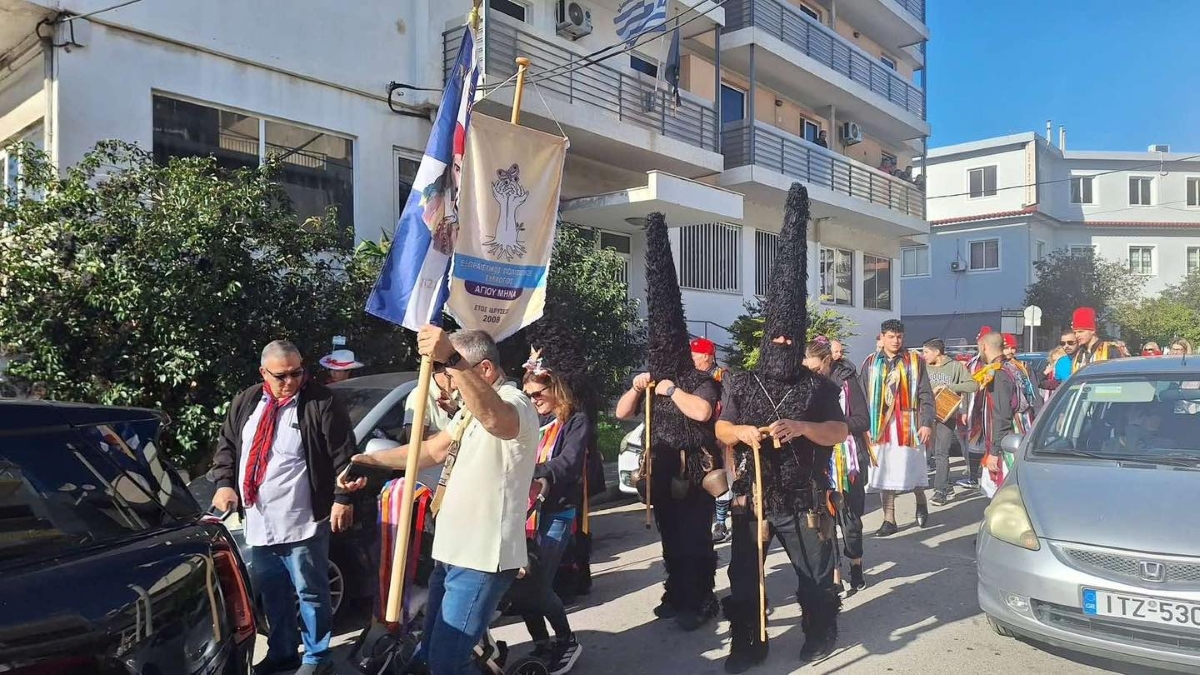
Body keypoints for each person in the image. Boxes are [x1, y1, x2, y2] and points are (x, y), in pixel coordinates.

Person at [341, 327, 539, 675]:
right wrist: (366, 461)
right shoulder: (468, 410)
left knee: (448, 663)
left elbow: (498, 420)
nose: (444, 383)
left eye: (447, 373)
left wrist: (452, 357)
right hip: (450, 553)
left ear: (485, 370)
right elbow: (432, 450)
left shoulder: (514, 402)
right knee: (432, 654)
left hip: (481, 558)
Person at [717, 184, 849, 672]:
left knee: (814, 572)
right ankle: (748, 640)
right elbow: (722, 428)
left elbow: (839, 433)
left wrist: (801, 427)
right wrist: (742, 434)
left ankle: (820, 629)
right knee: (744, 576)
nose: (781, 344)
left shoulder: (819, 386)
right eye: (775, 337)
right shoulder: (742, 380)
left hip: (803, 495)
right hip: (752, 495)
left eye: (789, 339)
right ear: (765, 338)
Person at [209, 340, 356, 675]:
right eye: (281, 376)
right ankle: (283, 652)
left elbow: (345, 456)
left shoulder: (320, 402)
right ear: (264, 373)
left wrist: (343, 498)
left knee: (311, 592)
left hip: (303, 520)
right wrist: (224, 483)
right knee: (273, 593)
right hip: (260, 520)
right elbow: (227, 446)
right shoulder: (248, 401)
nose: (291, 381)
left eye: (297, 373)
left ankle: (317, 657)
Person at [615, 212, 722, 632]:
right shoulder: (651, 379)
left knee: (696, 540)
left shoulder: (699, 380)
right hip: (660, 469)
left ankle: (702, 598)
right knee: (671, 539)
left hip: (695, 470)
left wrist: (673, 391)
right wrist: (636, 387)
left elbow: (703, 412)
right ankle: (675, 592)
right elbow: (622, 413)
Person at [518, 350, 588, 674]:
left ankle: (566, 639)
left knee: (537, 583)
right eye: (528, 395)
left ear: (555, 388)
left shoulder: (575, 421)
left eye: (538, 394)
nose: (533, 400)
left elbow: (569, 463)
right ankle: (541, 644)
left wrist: (535, 472)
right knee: (519, 582)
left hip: (556, 511)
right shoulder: (529, 420)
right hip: (523, 512)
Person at [803, 336, 870, 593]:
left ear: (827, 361)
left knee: (850, 521)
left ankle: (856, 564)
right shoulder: (807, 383)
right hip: (818, 458)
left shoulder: (847, 381)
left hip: (846, 458)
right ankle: (835, 574)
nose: (814, 373)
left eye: (816, 368)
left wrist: (832, 428)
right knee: (824, 520)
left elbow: (862, 420)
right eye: (808, 368)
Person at [860, 319, 934, 535]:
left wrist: (926, 423)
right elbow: (862, 396)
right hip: (879, 426)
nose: (895, 341)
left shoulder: (915, 361)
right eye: (891, 337)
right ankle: (889, 519)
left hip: (908, 425)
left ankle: (920, 500)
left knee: (911, 468)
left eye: (899, 336)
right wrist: (863, 425)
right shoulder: (870, 362)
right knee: (884, 471)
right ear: (882, 337)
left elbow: (926, 394)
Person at [967, 333, 1033, 498]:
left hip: (1007, 440)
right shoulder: (1014, 367)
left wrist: (994, 451)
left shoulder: (998, 373)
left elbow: (1001, 414)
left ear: (984, 347)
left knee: (1003, 493)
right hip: (1019, 432)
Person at [921, 339, 977, 506]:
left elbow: (973, 385)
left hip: (947, 414)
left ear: (937, 352)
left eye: (926, 352)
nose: (924, 355)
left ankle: (941, 490)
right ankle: (947, 485)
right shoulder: (923, 367)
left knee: (941, 452)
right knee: (934, 451)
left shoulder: (955, 367)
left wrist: (948, 387)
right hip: (927, 415)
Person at [690, 336, 733, 544]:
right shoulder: (692, 377)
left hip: (719, 434)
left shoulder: (722, 376)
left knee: (721, 478)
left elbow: (729, 405)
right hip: (699, 437)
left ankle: (721, 524)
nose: (692, 359)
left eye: (695, 355)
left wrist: (723, 429)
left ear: (707, 356)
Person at [1071, 307, 1122, 373]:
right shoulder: (1078, 353)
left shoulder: (1110, 349)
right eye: (1075, 333)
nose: (1077, 335)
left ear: (1092, 331)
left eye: (1081, 332)